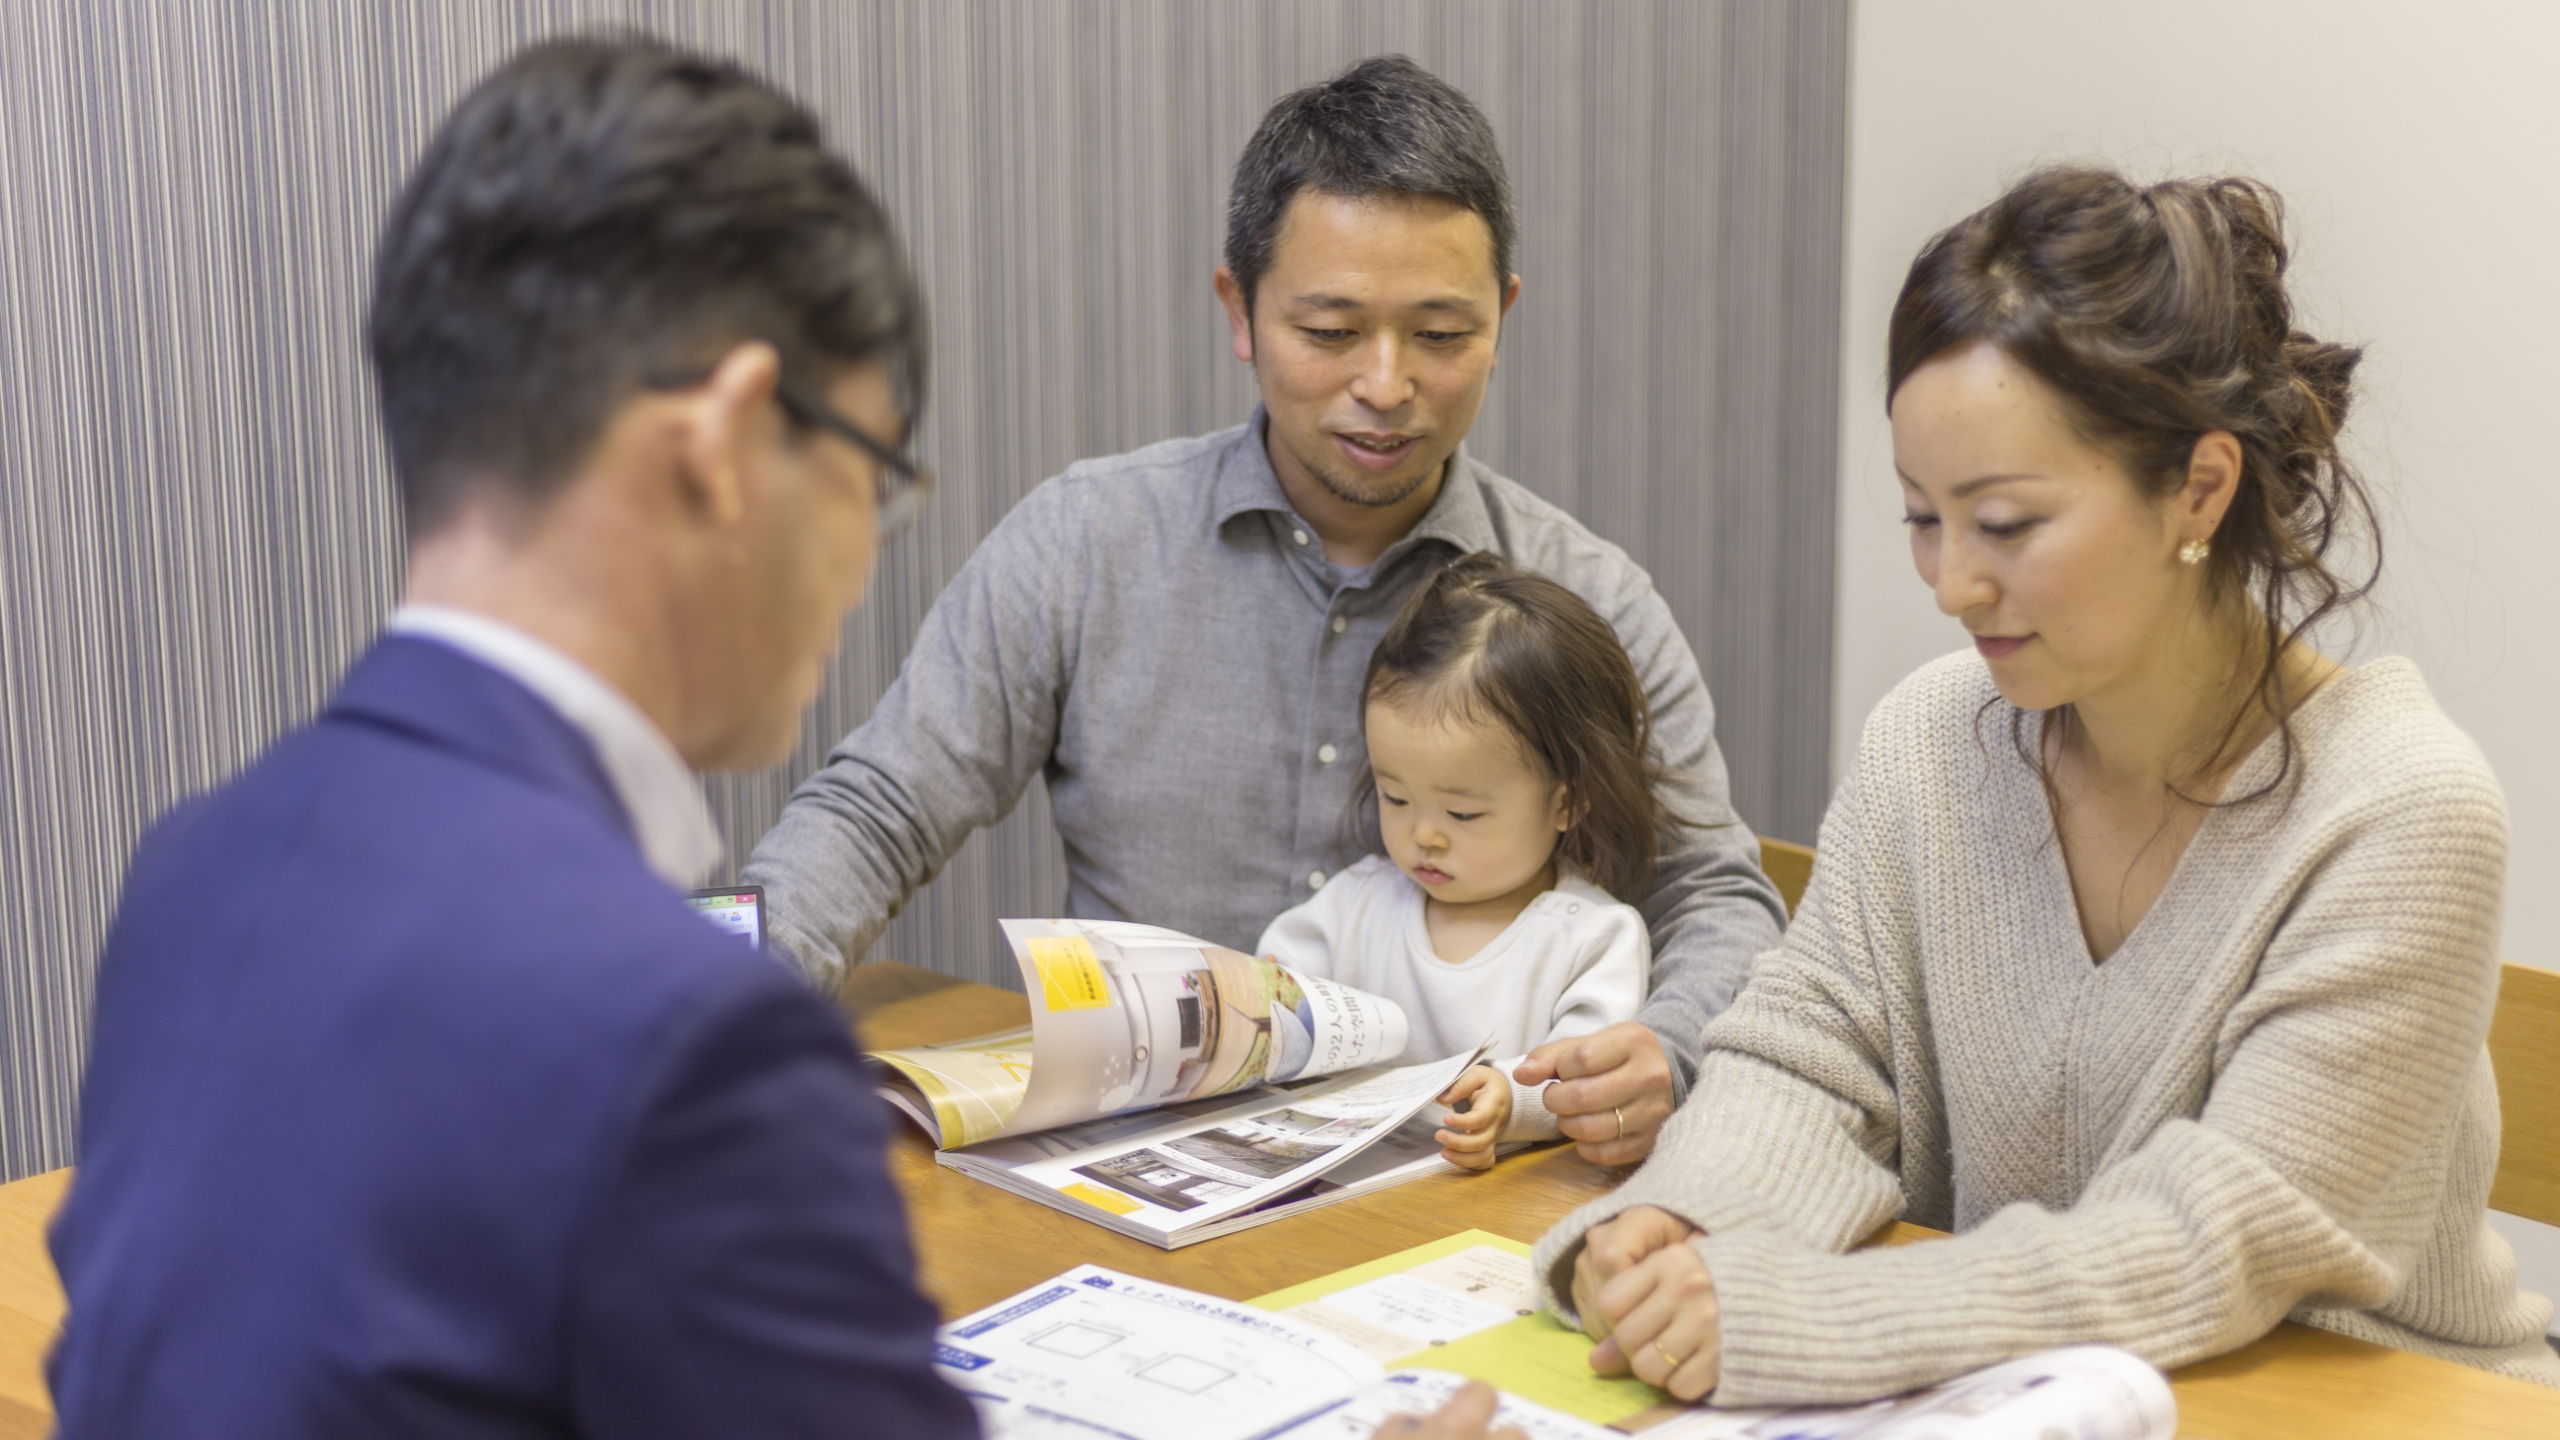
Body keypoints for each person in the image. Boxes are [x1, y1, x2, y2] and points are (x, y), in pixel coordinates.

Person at [1531, 166, 2560, 1407]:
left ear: (2200, 486)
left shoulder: (2399, 811)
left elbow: (2209, 1236)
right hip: (2030, 1396)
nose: (1951, 583)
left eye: (2006, 524)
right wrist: (1686, 1220)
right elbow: (1814, 1057)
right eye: (1923, 518)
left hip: (2366, 1409)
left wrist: (1806, 1313)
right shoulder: (1927, 740)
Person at [744, 55, 1784, 1166]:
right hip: (1135, 1157)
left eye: (1441, 335)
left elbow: (1714, 891)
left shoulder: (1590, 596)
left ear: (1502, 315)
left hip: (1464, 1194)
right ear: (1238, 309)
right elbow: (879, 807)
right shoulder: (1088, 542)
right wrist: (706, 998)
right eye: (1330, 331)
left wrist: (1664, 1051)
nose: (1385, 385)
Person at [1258, 553, 1658, 1169]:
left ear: (1567, 802)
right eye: (1395, 797)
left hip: (1492, 1213)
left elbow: (1587, 1073)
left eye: (1462, 815)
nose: (1424, 835)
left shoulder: (1590, 938)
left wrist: (1514, 1101)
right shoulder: (1358, 903)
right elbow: (1274, 993)